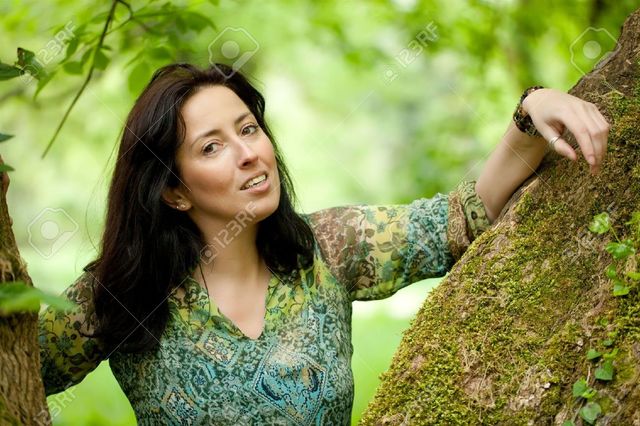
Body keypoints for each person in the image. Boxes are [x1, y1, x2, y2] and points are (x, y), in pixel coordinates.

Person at [36, 63, 609, 425]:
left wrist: (534, 110)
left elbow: (461, 216)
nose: (248, 154)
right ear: (175, 192)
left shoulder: (329, 248)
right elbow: (20, 376)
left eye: (248, 128)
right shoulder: (121, 294)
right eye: (211, 148)